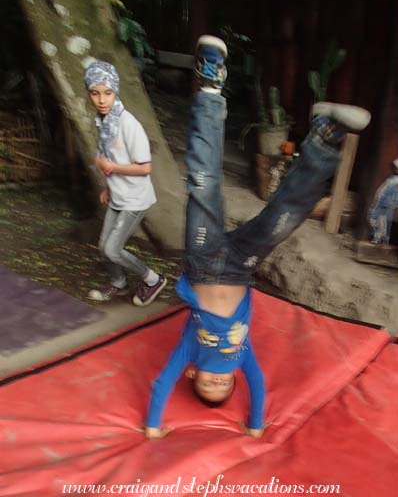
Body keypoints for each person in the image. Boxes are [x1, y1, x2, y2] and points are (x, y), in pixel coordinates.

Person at [144, 36, 371, 439]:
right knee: (285, 218)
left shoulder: (190, 352)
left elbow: (161, 382)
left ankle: (210, 82)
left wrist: (153, 427)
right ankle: (323, 136)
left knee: (203, 181)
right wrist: (254, 424)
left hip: (202, 258)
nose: (218, 382)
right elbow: (260, 385)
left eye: (207, 385)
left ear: (193, 374)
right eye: (224, 386)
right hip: (240, 267)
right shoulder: (242, 355)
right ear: (234, 378)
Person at [84, 61, 167, 306]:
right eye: (95, 93)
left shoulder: (128, 124)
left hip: (135, 199)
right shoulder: (103, 122)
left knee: (112, 249)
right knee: (103, 246)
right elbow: (111, 156)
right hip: (118, 195)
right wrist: (109, 186)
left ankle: (153, 279)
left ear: (115, 92)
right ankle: (119, 283)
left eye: (107, 93)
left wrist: (112, 169)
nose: (101, 100)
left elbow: (145, 167)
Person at [368, 158, 398, 244]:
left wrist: (393, 203)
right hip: (381, 202)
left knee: (379, 221)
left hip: (386, 204)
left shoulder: (396, 181)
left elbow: (395, 195)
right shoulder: (392, 178)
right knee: (375, 219)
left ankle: (379, 239)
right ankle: (379, 238)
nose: (393, 169)